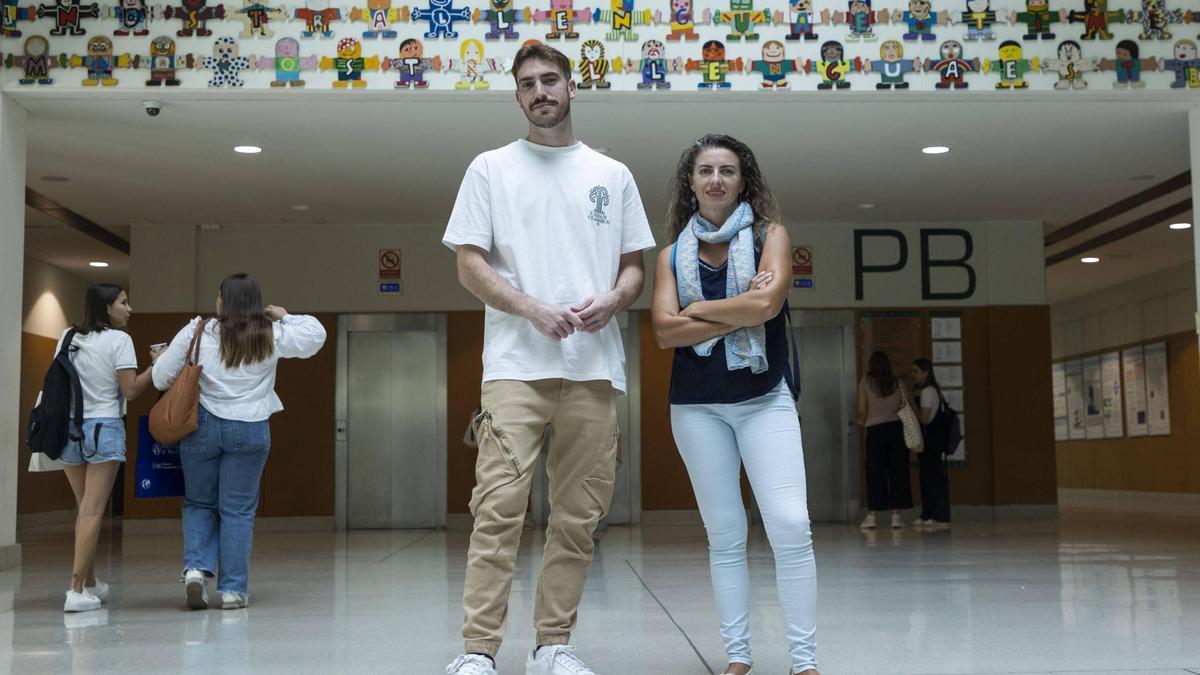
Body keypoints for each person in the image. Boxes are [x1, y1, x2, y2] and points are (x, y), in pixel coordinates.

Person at [441, 43, 655, 675]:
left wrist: (613, 299)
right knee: (497, 510)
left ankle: (552, 644)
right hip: (515, 368)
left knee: (578, 516)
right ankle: (478, 651)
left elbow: (634, 269)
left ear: (571, 87)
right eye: (528, 83)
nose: (540, 91)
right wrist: (530, 307)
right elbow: (469, 264)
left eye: (550, 79)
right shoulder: (490, 168)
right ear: (517, 96)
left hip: (593, 369)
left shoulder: (612, 174)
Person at [651, 134, 819, 675]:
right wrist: (739, 306)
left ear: (744, 180)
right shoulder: (671, 256)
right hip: (696, 407)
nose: (716, 180)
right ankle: (738, 657)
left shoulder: (771, 237)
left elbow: (767, 305)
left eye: (727, 170)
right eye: (705, 170)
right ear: (691, 182)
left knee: (790, 525)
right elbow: (663, 332)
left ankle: (804, 660)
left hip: (764, 398)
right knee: (725, 534)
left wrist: (697, 309)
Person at [152, 273, 326, 611]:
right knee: (238, 510)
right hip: (250, 428)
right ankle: (232, 591)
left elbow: (160, 378)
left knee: (199, 502)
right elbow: (316, 335)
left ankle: (195, 570)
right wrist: (284, 315)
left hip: (201, 428)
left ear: (222, 301)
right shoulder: (270, 334)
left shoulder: (198, 331)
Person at [56, 284, 158, 612]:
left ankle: (89, 583)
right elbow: (131, 391)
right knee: (92, 510)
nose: (129, 309)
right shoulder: (120, 340)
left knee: (84, 508)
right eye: (123, 303)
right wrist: (156, 367)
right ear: (107, 307)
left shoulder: (68, 336)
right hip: (104, 428)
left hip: (69, 429)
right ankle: (74, 590)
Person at [857, 350, 913, 530]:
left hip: (875, 431)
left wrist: (861, 423)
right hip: (896, 430)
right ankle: (896, 516)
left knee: (875, 473)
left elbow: (862, 409)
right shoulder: (898, 383)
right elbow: (904, 405)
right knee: (897, 472)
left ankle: (872, 516)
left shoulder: (865, 383)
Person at [911, 358, 951, 528]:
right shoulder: (932, 391)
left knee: (933, 478)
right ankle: (928, 513)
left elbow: (924, 419)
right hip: (931, 442)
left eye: (916, 371)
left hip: (931, 442)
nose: (913, 375)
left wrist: (913, 405)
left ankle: (940, 515)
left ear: (925, 373)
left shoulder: (928, 392)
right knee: (926, 478)